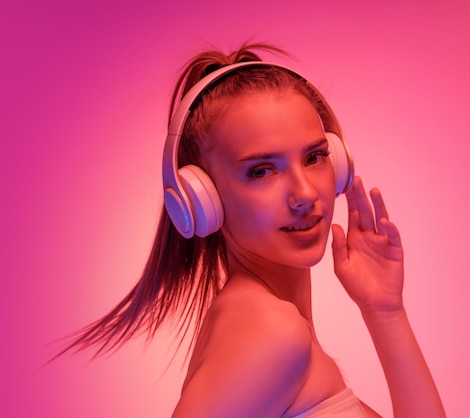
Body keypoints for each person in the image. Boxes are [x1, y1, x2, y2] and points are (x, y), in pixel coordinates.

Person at [62, 42, 446, 417]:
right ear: (202, 196)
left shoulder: (271, 327)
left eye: (314, 157)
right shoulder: (273, 333)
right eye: (262, 171)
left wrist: (385, 311)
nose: (305, 193)